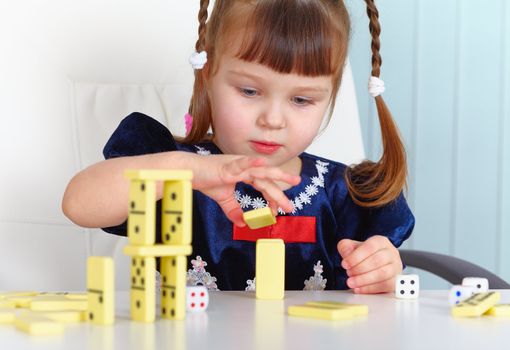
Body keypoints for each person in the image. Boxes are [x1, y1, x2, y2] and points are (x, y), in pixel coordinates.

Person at [62, 0, 415, 293]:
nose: (273, 119)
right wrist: (187, 170)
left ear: (330, 98)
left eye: (302, 100)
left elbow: (372, 301)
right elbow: (78, 204)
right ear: (208, 74)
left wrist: (380, 269)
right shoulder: (175, 173)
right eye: (249, 91)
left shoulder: (343, 193)